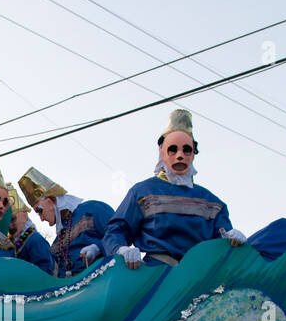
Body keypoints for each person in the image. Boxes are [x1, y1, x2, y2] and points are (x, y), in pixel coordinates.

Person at [102, 109, 247, 269]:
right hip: (156, 274)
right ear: (162, 152)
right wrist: (121, 249)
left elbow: (222, 240)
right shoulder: (143, 192)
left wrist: (233, 240)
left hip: (199, 277)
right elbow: (116, 231)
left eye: (186, 150)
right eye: (173, 149)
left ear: (193, 154)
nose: (180, 155)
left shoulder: (213, 203)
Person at [18, 167, 113, 278]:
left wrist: (98, 248)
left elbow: (119, 234)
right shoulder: (56, 245)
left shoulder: (94, 209)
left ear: (51, 200)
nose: (41, 218)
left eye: (39, 211)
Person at [8, 185, 54, 274]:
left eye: (13, 219)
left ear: (25, 215)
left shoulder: (36, 240)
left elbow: (45, 275)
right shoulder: (13, 243)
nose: (10, 226)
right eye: (7, 222)